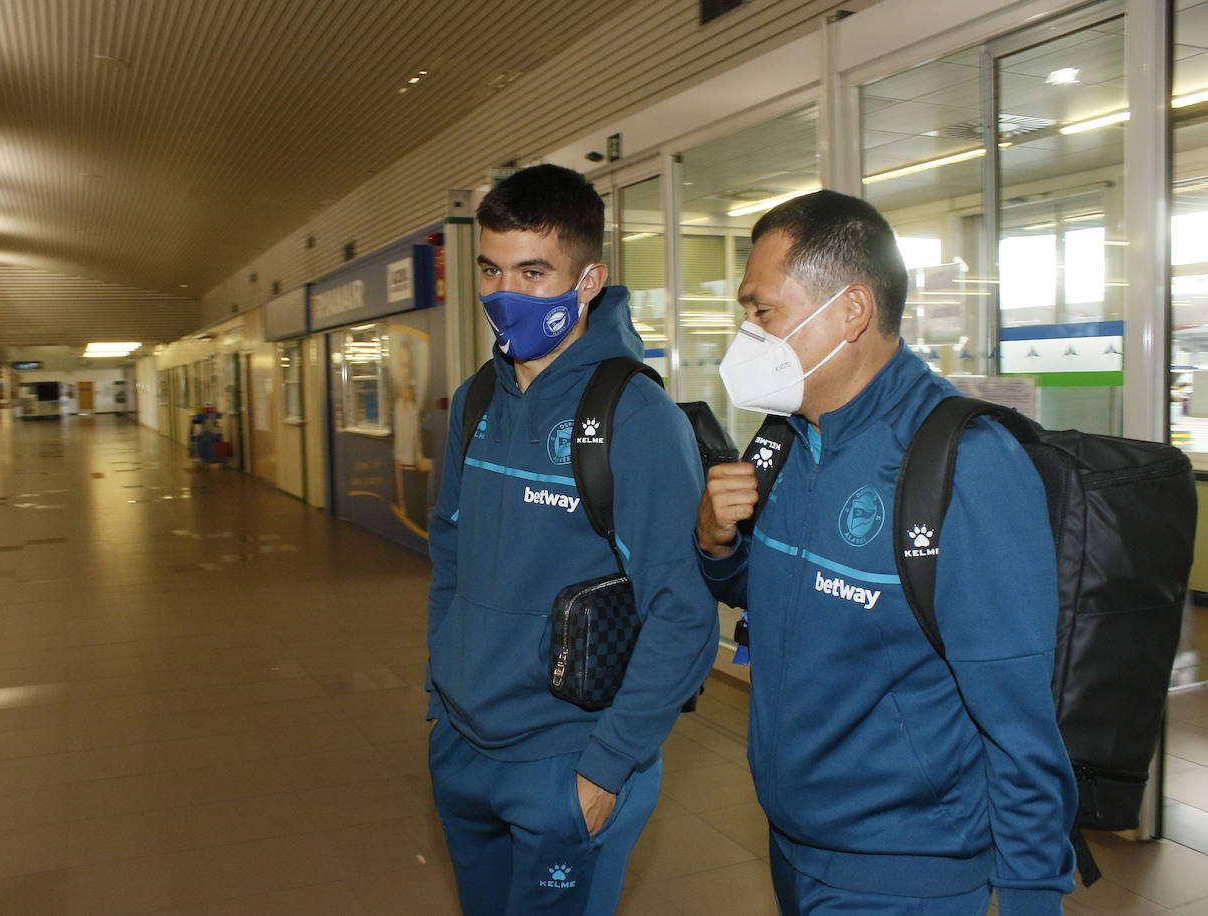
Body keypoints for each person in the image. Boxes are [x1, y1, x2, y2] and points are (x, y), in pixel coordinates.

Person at [696, 190, 1077, 914]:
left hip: (903, 870)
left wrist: (1032, 898)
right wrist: (716, 545)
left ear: (850, 312)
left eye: (762, 310)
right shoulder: (785, 440)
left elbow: (1021, 718)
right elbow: (778, 594)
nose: (747, 334)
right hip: (793, 841)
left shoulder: (964, 465)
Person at [426, 163, 719, 915]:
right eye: (490, 270)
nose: (504, 295)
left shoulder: (635, 414)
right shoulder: (477, 398)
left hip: (566, 757)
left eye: (533, 272)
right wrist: (440, 692)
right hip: (463, 745)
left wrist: (606, 769)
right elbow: (449, 555)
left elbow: (683, 614)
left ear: (589, 280)